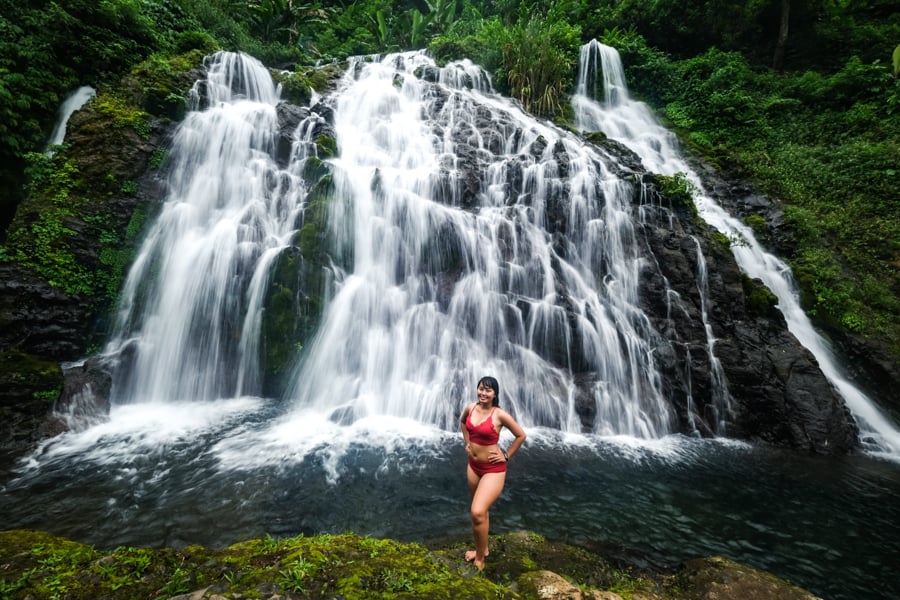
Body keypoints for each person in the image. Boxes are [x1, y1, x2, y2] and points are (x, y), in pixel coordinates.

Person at [459, 375, 526, 571]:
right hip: (473, 466)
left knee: (477, 512)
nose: (483, 393)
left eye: (488, 390)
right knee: (481, 513)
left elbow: (521, 435)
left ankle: (480, 559)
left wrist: (506, 455)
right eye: (481, 388)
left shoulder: (499, 415)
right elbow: (463, 423)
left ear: (495, 394)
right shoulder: (470, 408)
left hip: (493, 470)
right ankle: (483, 549)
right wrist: (468, 442)